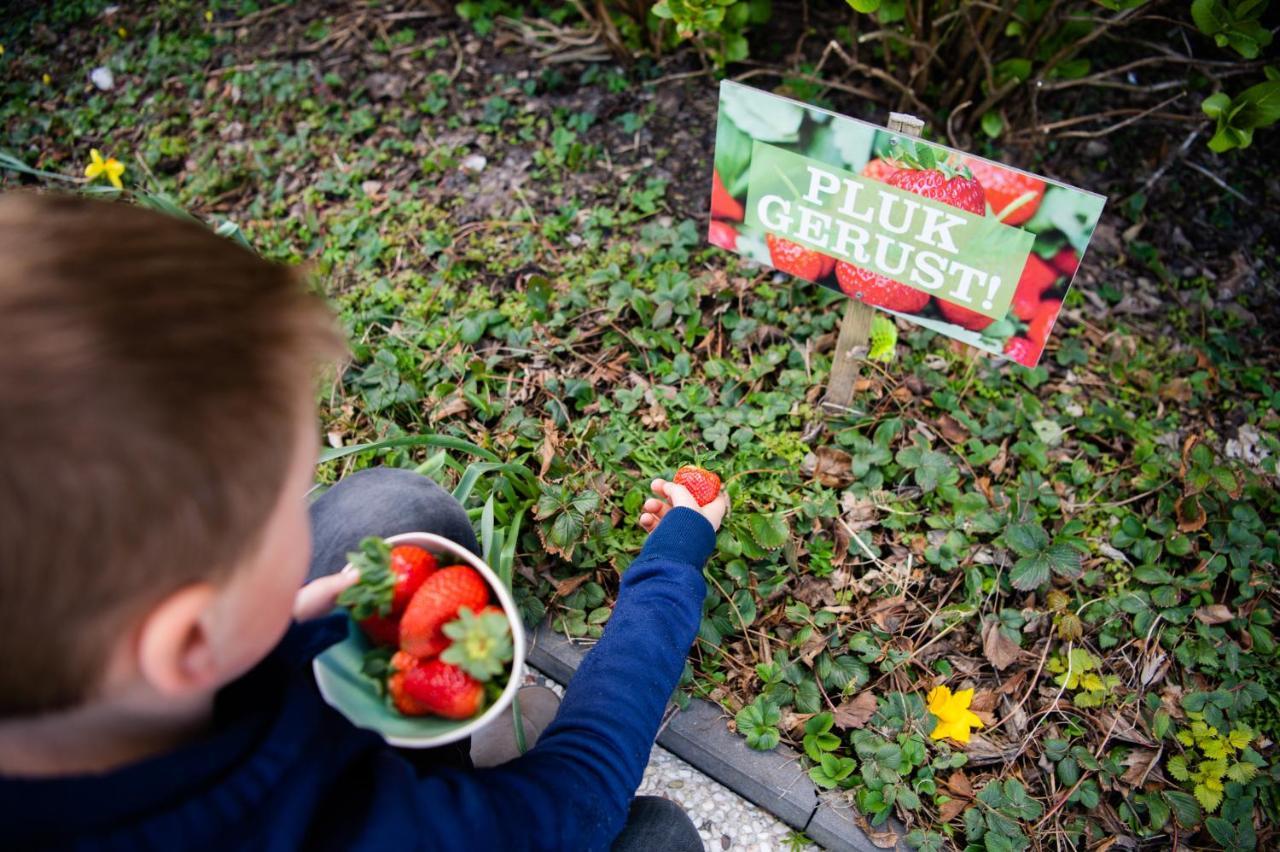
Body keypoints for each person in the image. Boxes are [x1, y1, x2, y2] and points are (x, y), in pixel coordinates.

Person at [0, 192, 729, 851]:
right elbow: (582, 784)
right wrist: (673, 561)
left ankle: (429, 747)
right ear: (192, 639)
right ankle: (456, 778)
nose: (303, 515)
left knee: (390, 517)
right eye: (286, 508)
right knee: (655, 836)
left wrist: (276, 635)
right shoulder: (363, 828)